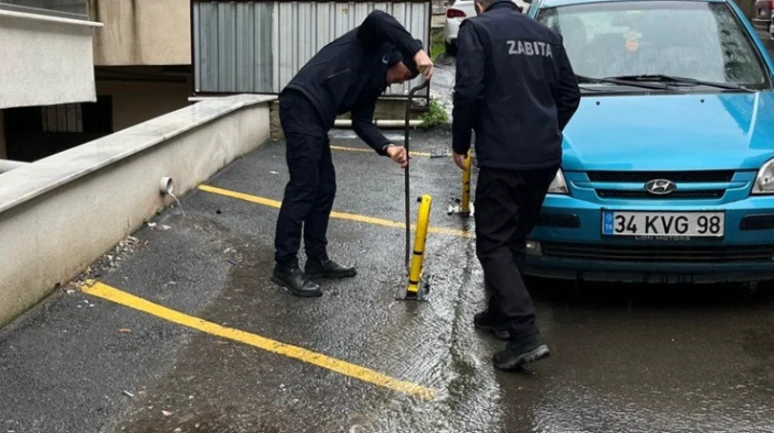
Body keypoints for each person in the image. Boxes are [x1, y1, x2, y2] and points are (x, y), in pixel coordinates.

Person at [451, 0, 580, 369]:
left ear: (479, 3)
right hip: (543, 156)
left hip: (504, 156)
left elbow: (468, 91)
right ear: (519, 2)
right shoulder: (547, 34)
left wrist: (461, 143)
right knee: (513, 238)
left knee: (492, 243)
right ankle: (501, 315)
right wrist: (546, 128)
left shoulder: (477, 29)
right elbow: (571, 94)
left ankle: (525, 334)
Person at [273, 10, 434, 298]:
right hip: (300, 106)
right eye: (407, 75)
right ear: (399, 59)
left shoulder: (374, 84)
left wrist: (388, 147)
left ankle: (316, 259)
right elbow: (378, 17)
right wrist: (418, 52)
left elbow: (361, 122)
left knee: (325, 188)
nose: (404, 81)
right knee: (304, 186)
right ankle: (284, 265)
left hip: (316, 120)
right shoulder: (370, 43)